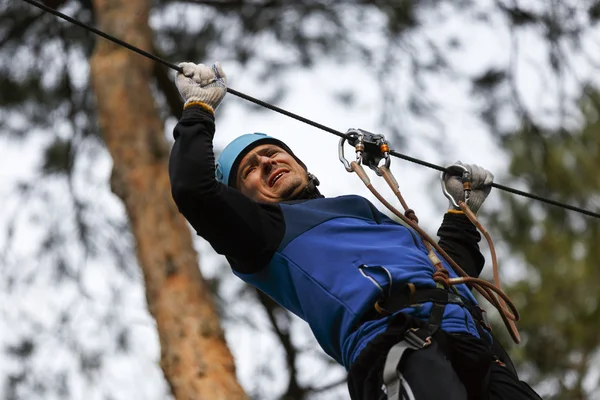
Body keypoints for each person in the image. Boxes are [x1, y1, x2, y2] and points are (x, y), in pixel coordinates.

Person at [168, 62, 541, 400]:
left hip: (479, 350)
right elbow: (193, 190)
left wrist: (460, 214)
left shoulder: (363, 215)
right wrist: (199, 110)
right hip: (397, 346)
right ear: (244, 202)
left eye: (272, 152)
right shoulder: (265, 232)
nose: (266, 162)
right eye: (249, 168)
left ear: (302, 165)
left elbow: (443, 274)